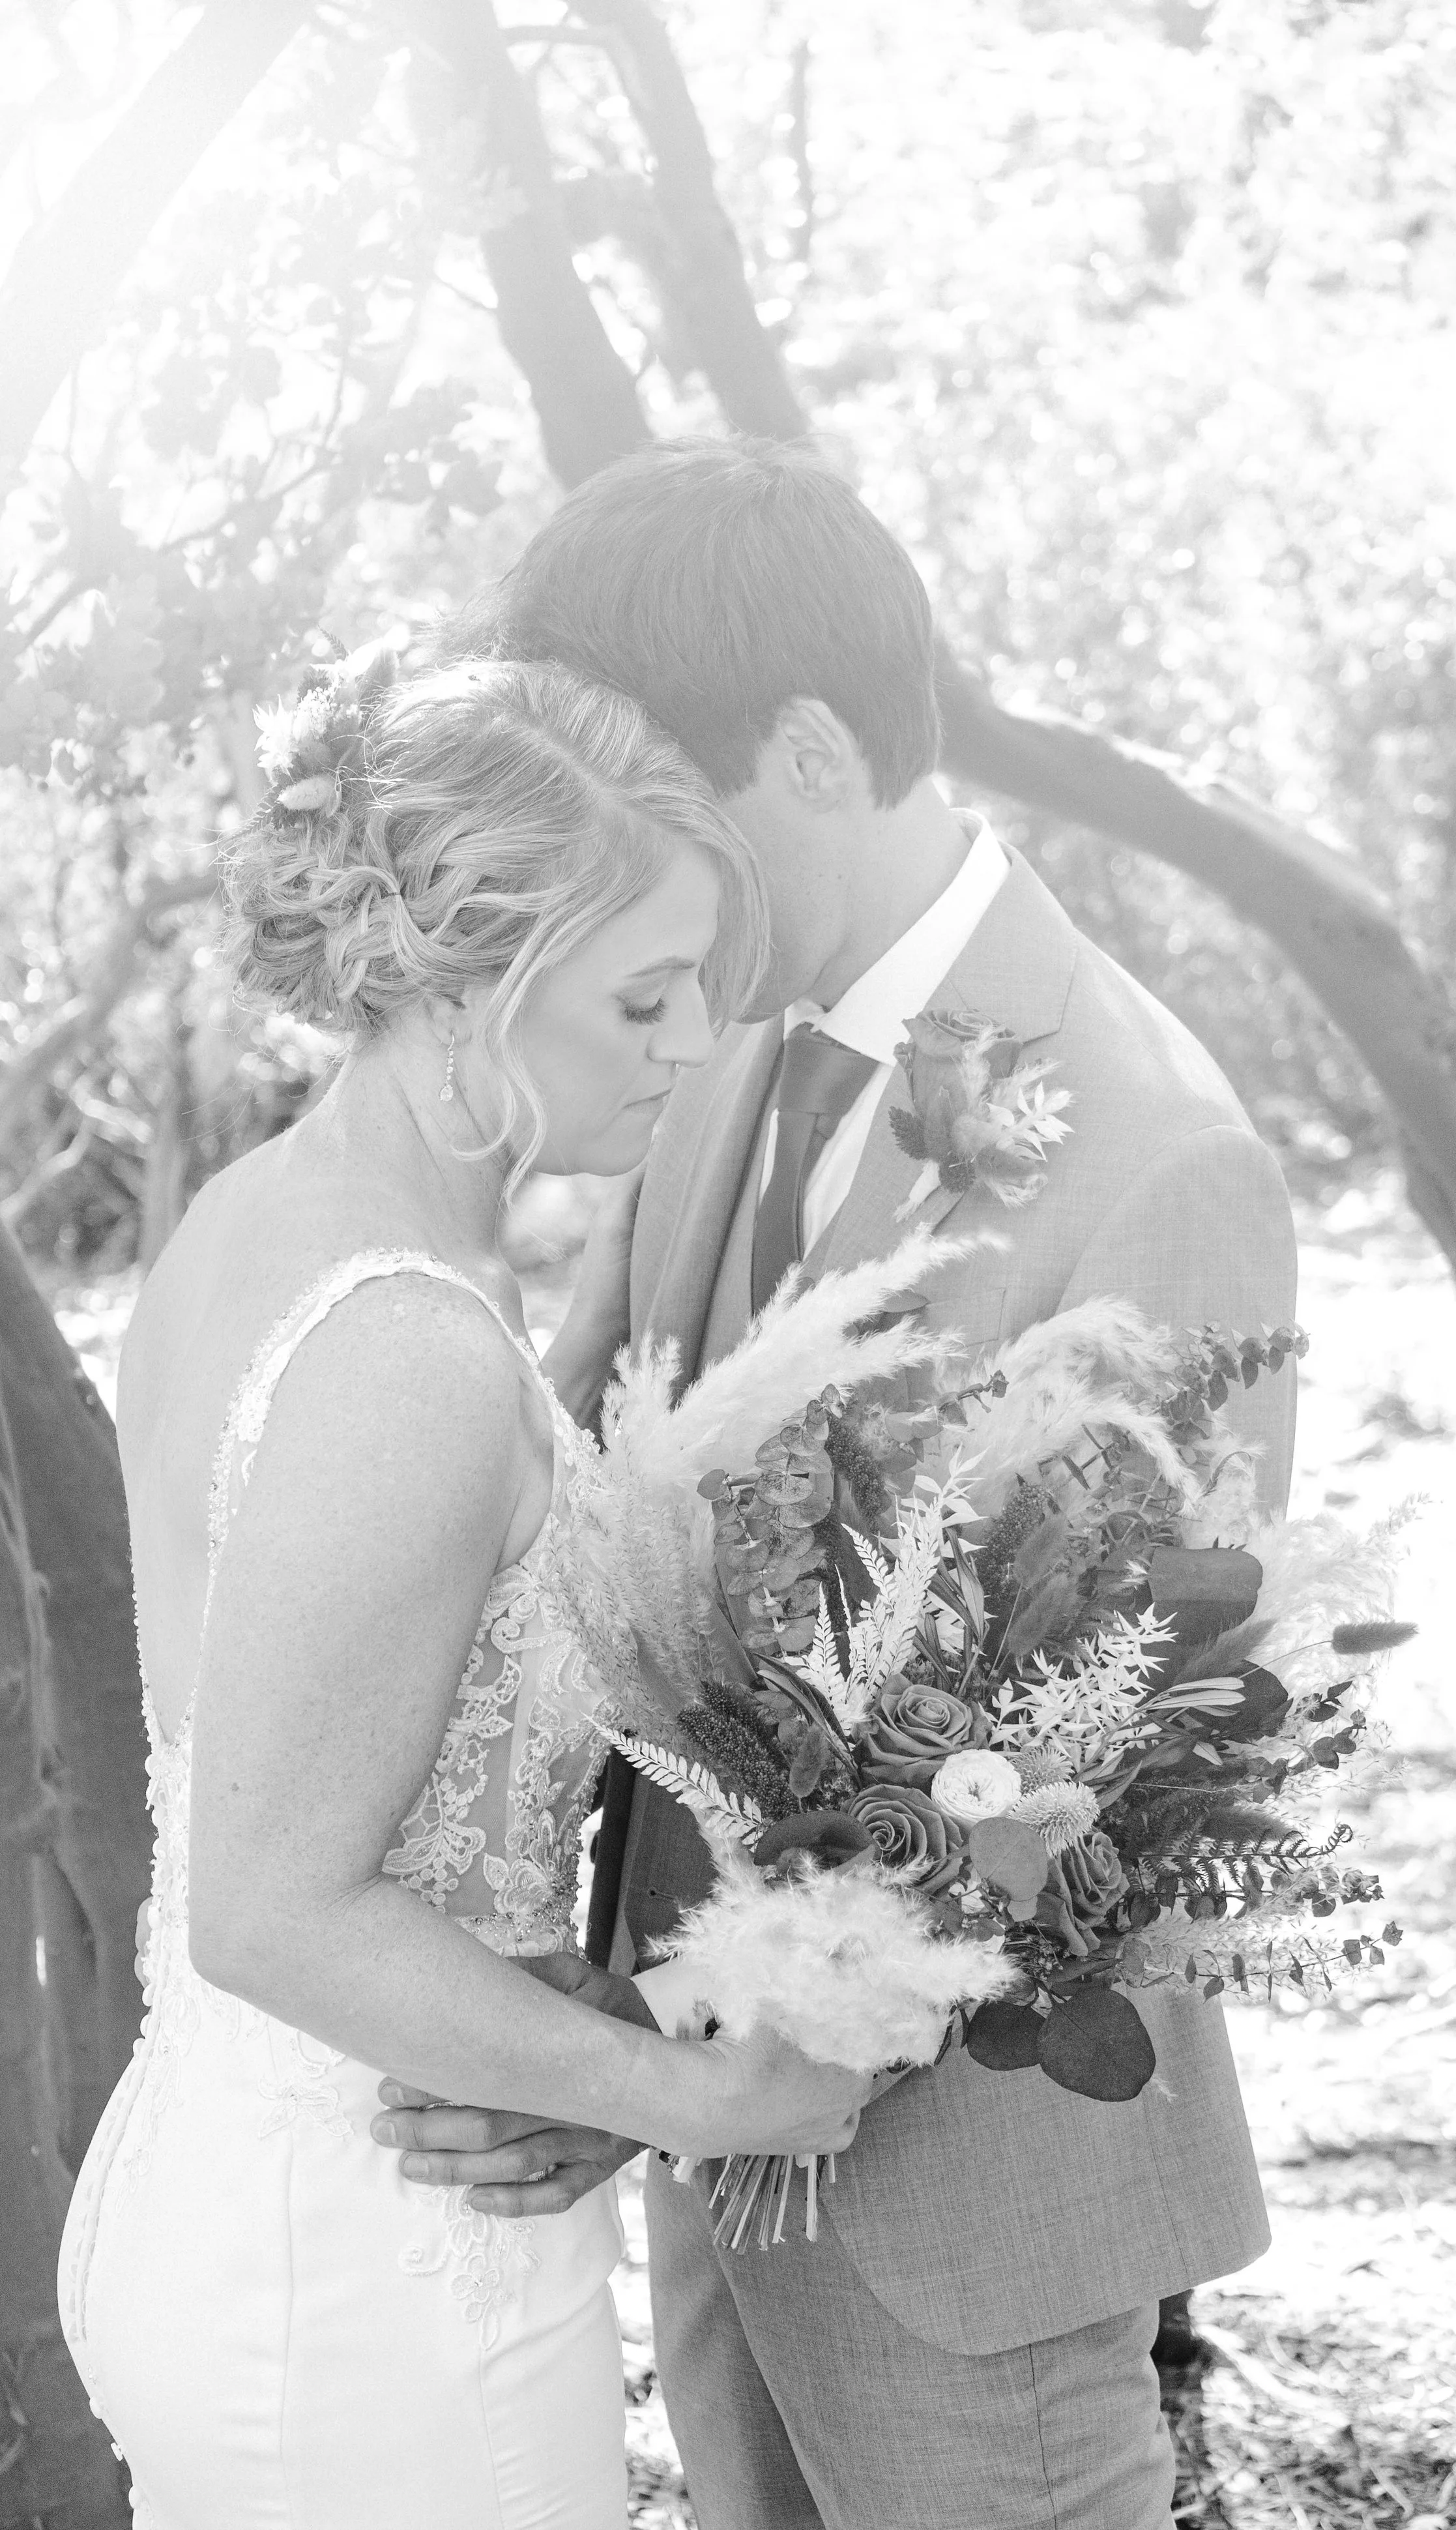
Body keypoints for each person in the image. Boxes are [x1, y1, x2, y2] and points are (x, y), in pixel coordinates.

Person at [380, 441, 1300, 2529]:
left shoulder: (1157, 1160)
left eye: (649, 812)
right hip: (709, 2172)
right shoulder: (709, 1052)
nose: (624, 888)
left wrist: (696, 2059)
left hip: (975, 2233)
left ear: (801, 751)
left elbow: (1099, 1746)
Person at [56, 652, 869, 2530]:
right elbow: (269, 1906)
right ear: (452, 980)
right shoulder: (404, 1347)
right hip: (364, 2280)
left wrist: (554, 2007)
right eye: (642, 996)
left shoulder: (261, 1218)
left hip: (287, 2177)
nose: (688, 1046)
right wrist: (699, 2098)